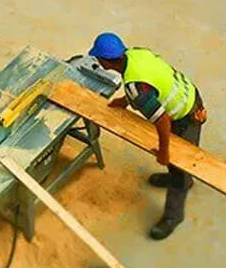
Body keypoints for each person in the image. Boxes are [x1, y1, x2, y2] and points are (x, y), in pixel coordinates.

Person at [88, 32, 207, 240]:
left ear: (107, 62)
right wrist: (126, 102)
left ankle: (174, 215)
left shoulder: (136, 89)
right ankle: (177, 177)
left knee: (179, 167)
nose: (97, 61)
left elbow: (162, 121)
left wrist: (164, 151)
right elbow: (150, 80)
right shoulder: (136, 53)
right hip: (190, 94)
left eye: (98, 58)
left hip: (185, 115)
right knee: (176, 165)